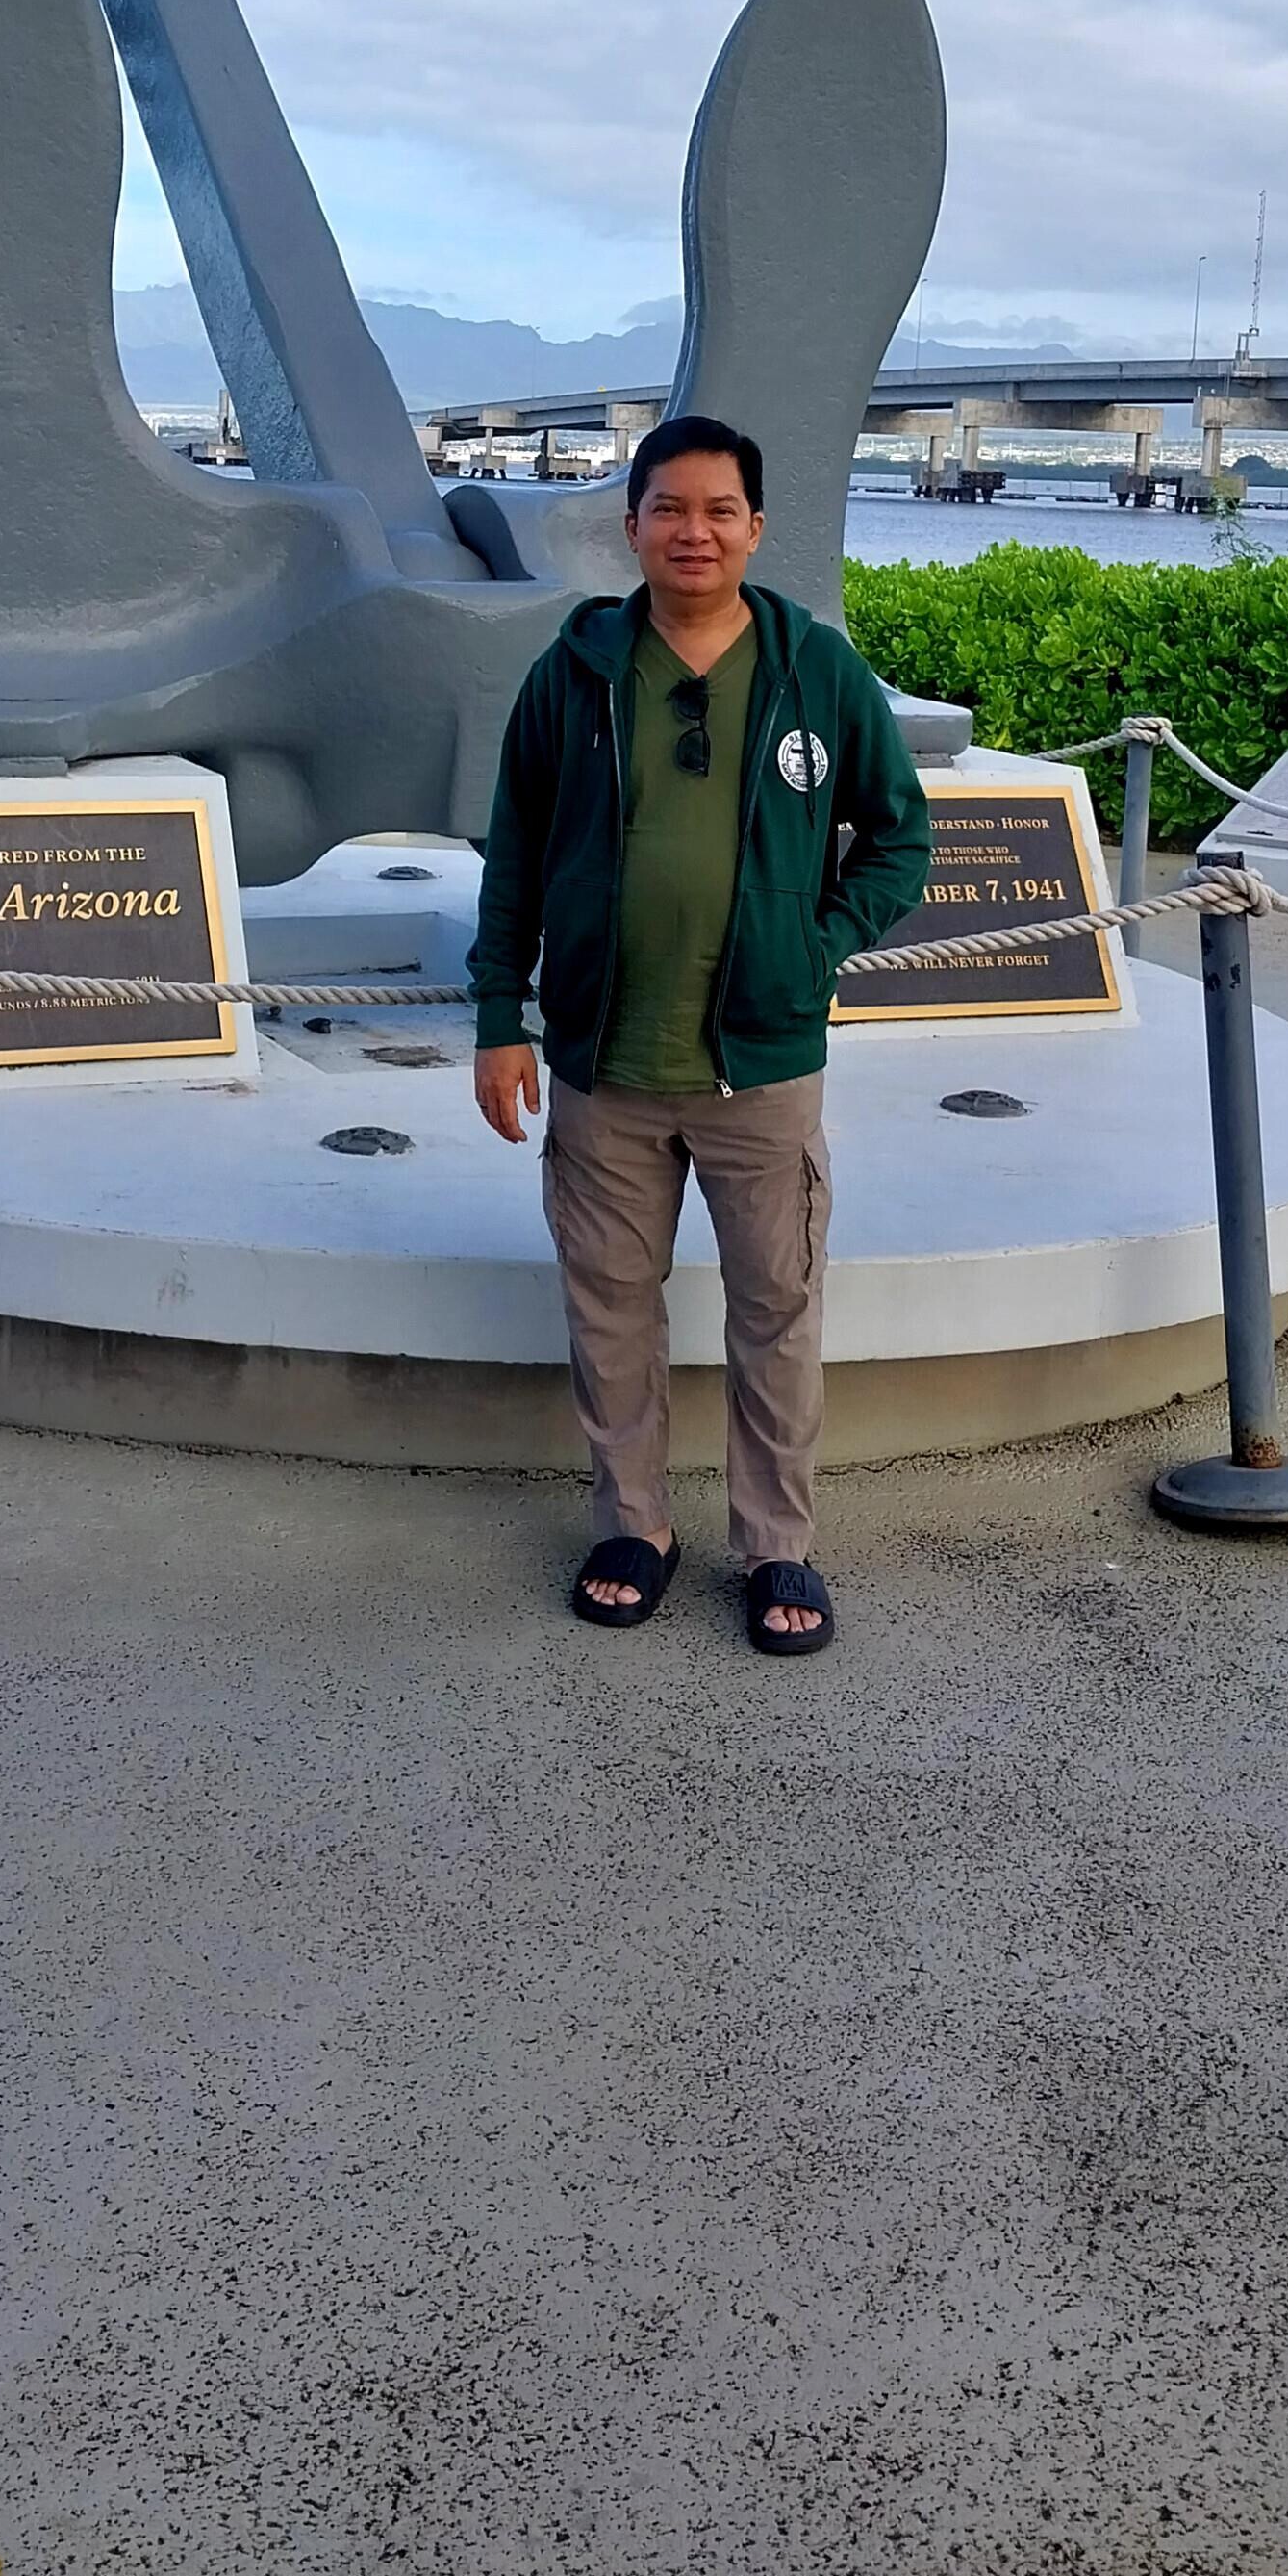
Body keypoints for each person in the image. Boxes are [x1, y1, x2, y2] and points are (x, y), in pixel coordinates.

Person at [467, 416, 932, 1654]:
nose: (695, 532)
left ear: (756, 529)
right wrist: (501, 1015)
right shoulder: (574, 672)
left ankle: (777, 1544)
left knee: (776, 1308)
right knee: (611, 1306)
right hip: (604, 1062)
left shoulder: (816, 671)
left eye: (720, 510)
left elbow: (901, 839)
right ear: (631, 526)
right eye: (669, 509)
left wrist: (815, 947)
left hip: (762, 1063)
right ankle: (635, 1525)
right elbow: (515, 854)